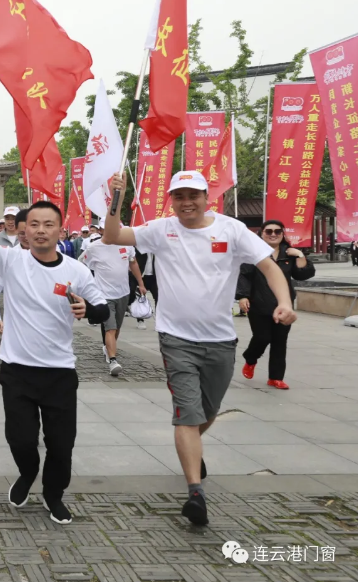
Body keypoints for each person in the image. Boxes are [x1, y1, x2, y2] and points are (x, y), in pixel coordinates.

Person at [104, 170, 296, 527]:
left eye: (194, 195)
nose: (187, 202)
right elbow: (112, 235)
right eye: (179, 196)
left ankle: (189, 445)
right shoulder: (161, 229)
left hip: (220, 339)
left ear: (207, 197)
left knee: (207, 411)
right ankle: (195, 493)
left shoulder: (231, 229)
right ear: (171, 200)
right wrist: (116, 198)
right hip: (175, 338)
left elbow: (269, 267)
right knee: (187, 414)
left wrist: (284, 302)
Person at [0, 172, 108, 525]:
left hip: (59, 372)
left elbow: (103, 309)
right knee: (22, 440)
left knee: (61, 444)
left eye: (49, 224)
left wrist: (88, 310)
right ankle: (28, 473)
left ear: (60, 230)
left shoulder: (76, 270)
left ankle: (54, 495)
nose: (41, 230)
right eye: (34, 224)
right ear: (23, 230)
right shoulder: (12, 261)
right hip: (17, 370)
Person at [237, 220, 315, 390]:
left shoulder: (288, 254)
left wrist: (299, 255)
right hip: (258, 304)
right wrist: (242, 296)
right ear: (262, 233)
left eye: (277, 231)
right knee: (262, 337)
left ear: (282, 234)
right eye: (269, 231)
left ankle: (276, 377)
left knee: (280, 341)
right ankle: (250, 359)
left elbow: (302, 275)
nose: (273, 234)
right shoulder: (253, 253)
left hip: (283, 305)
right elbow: (243, 275)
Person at [83, 237, 146, 376]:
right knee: (110, 327)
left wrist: (141, 284)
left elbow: (133, 263)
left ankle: (108, 348)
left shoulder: (127, 245)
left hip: (123, 293)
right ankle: (113, 361)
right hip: (103, 294)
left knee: (116, 327)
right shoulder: (94, 247)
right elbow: (83, 265)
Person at [0, 209, 29, 349]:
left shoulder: (52, 253)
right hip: (5, 290)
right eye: (8, 218)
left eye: (13, 218)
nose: (11, 221)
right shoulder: (0, 244)